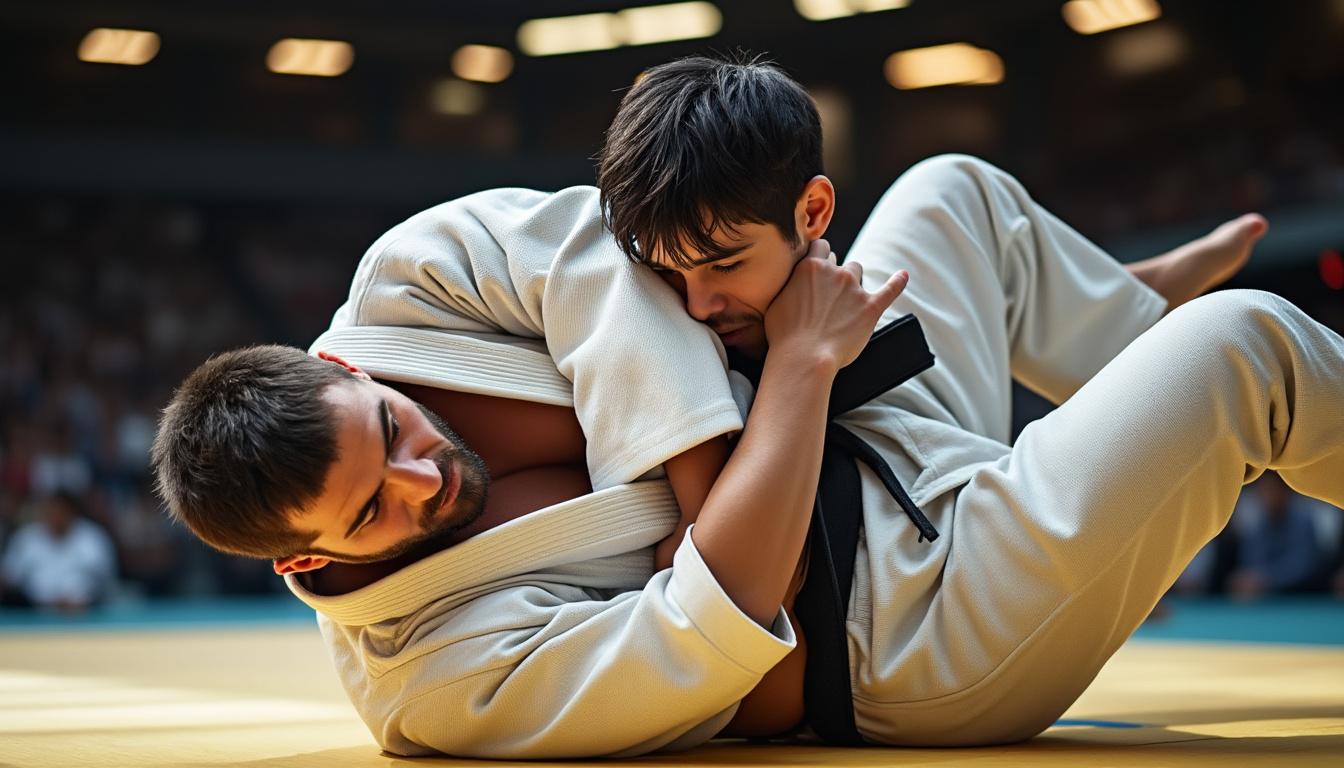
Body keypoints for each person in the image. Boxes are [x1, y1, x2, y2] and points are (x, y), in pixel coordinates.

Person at [150, 61, 1344, 760]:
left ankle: (1120, 331)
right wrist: (791, 382)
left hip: (867, 431)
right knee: (1253, 345)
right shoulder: (429, 680)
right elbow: (721, 652)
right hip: (907, 628)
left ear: (347, 371)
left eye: (394, 436)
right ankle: (1156, 357)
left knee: (954, 190)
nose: (423, 479)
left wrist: (712, 496)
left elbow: (595, 256)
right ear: (304, 558)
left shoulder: (407, 285)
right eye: (371, 510)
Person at [1, 491, 117, 611]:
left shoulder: (93, 538)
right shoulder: (26, 538)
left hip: (85, 612)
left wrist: (81, 599)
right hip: (32, 613)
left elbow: (106, 581)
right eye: (51, 511)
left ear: (72, 512)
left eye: (61, 511)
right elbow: (10, 578)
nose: (56, 516)